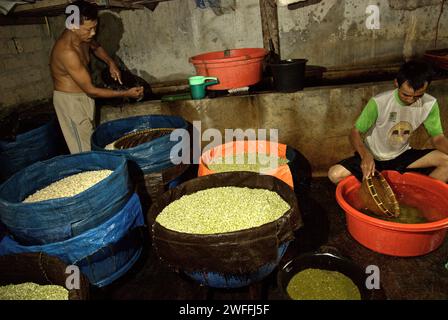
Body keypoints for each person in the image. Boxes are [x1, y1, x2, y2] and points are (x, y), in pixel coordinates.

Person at [328, 60, 448, 184]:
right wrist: (365, 155)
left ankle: (419, 196)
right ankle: (369, 189)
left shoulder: (430, 103)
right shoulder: (379, 102)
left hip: (402, 155)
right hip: (374, 156)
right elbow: (354, 132)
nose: (411, 100)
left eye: (418, 96)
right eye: (406, 95)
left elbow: (437, 138)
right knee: (335, 174)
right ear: (396, 83)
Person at [50, 0, 143, 154]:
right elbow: (92, 90)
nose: (93, 33)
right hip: (71, 102)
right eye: (89, 29)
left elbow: (96, 46)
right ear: (73, 26)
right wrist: (126, 93)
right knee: (83, 149)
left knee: (92, 139)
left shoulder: (83, 37)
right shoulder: (67, 52)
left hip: (85, 97)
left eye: (95, 28)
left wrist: (110, 62)